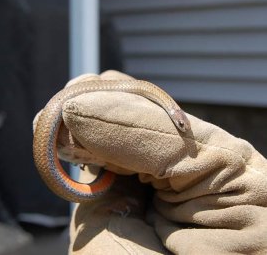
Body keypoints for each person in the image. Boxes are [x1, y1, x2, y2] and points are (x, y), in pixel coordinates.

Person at [35, 70, 267, 255]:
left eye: (182, 125)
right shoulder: (153, 94)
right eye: (181, 124)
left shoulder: (169, 107)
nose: (182, 126)